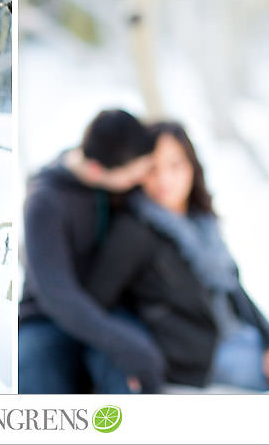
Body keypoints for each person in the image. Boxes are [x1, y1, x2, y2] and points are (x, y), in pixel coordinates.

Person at [85, 120, 269, 393]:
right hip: (206, 357)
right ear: (138, 172)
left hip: (240, 337)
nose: (164, 180)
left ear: (192, 167)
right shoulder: (135, 230)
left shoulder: (200, 223)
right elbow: (97, 303)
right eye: (152, 169)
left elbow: (234, 288)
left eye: (175, 166)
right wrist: (136, 356)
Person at [18, 109, 165, 394]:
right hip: (49, 316)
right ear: (97, 171)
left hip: (111, 307)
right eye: (133, 174)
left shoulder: (118, 173)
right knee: (35, 375)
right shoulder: (45, 202)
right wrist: (127, 344)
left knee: (128, 376)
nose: (140, 179)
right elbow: (57, 295)